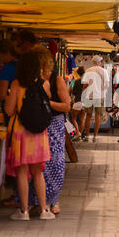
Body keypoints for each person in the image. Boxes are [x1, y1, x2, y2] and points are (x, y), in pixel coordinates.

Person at [5, 51, 55, 221]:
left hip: (20, 133)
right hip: (39, 135)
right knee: (38, 173)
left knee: (22, 172)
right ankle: (43, 211)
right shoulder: (45, 84)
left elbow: (9, 111)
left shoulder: (17, 84)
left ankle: (24, 211)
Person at [27, 45, 71, 215]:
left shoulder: (56, 80)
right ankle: (37, 201)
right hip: (34, 125)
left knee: (55, 164)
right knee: (36, 165)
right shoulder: (29, 80)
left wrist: (46, 103)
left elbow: (66, 106)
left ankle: (53, 200)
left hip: (53, 125)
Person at [82, 55, 110, 143]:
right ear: (99, 62)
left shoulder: (88, 70)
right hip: (100, 96)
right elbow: (107, 85)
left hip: (89, 96)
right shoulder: (104, 71)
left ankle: (86, 136)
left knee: (88, 116)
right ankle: (95, 137)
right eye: (101, 61)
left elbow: (85, 85)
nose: (101, 63)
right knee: (98, 116)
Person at [0, 39, 19, 126]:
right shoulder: (22, 64)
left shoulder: (7, 68)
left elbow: (2, 95)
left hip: (11, 110)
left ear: (7, 53)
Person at [71, 67, 86, 141]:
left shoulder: (77, 81)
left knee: (73, 118)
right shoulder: (87, 81)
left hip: (78, 101)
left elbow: (73, 93)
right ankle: (80, 134)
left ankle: (78, 133)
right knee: (82, 119)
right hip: (85, 102)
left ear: (78, 73)